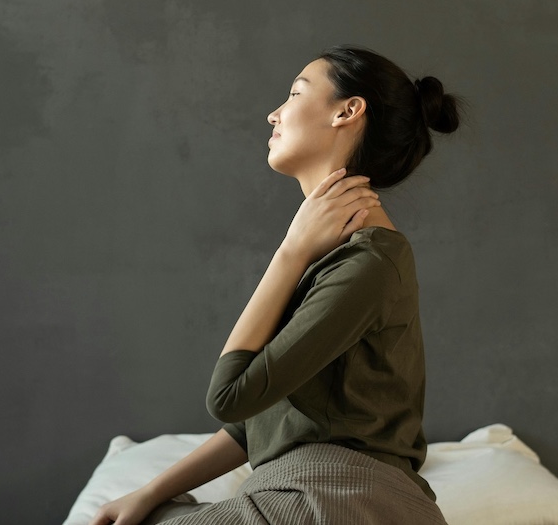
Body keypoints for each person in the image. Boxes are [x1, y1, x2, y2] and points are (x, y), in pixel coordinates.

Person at [91, 45, 461, 525]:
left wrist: (290, 251)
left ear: (348, 111)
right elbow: (256, 421)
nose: (273, 114)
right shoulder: (344, 256)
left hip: (337, 500)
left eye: (294, 94)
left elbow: (228, 395)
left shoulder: (369, 261)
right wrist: (148, 492)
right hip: (320, 497)